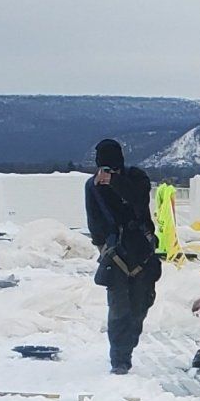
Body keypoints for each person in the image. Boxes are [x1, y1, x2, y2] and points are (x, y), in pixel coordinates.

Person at [85, 138, 162, 373]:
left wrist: (115, 182)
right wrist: (101, 247)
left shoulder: (136, 178)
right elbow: (94, 220)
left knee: (140, 306)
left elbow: (139, 200)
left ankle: (127, 345)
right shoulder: (93, 186)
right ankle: (120, 359)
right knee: (119, 309)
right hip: (116, 255)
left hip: (141, 252)